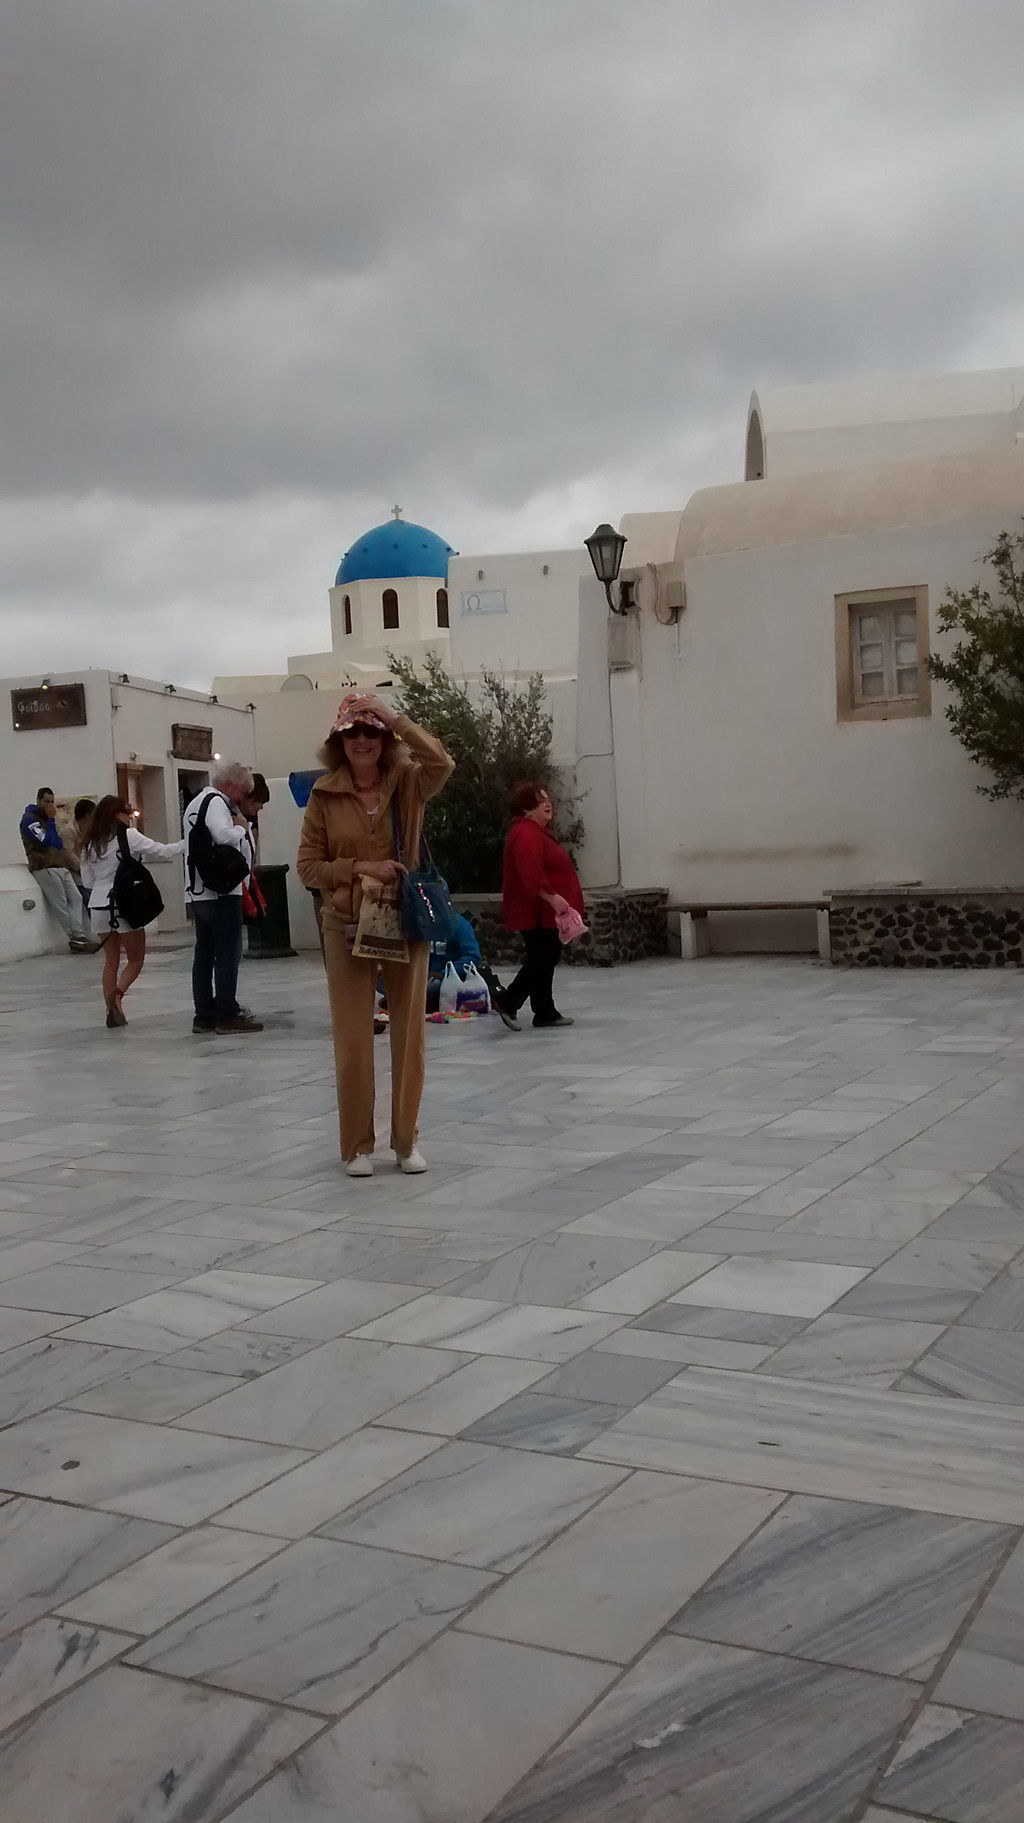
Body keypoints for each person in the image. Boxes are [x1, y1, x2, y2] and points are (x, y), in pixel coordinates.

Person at [297, 690, 454, 1177]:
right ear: (338, 742)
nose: (362, 740)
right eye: (352, 732)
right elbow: (308, 868)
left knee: (409, 1035)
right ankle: (357, 1146)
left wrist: (396, 717)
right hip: (345, 923)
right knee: (352, 1037)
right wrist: (360, 867)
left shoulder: (407, 781)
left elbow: (442, 762)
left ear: (384, 739)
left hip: (404, 920)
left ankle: (405, 1141)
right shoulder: (324, 794)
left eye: (371, 731)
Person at [79, 797, 185, 1027]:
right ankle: (117, 996)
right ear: (115, 813)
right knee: (136, 959)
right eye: (126, 811)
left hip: (98, 905)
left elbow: (87, 881)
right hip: (123, 904)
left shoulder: (89, 844)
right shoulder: (128, 836)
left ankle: (111, 1011)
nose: (129, 815)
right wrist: (189, 843)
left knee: (111, 960)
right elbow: (162, 850)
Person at [496, 781, 584, 1030]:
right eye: (540, 800)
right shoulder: (526, 833)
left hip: (542, 911)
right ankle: (509, 1001)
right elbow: (530, 871)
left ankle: (544, 1010)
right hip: (536, 911)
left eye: (547, 799)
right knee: (544, 957)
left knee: (544, 956)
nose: (548, 803)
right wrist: (552, 897)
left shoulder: (534, 832)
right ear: (526, 809)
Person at [184, 762, 264, 1036]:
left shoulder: (195, 803)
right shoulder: (217, 802)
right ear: (230, 784)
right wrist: (241, 828)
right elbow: (222, 835)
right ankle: (227, 1014)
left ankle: (204, 1014)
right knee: (228, 952)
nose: (241, 798)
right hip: (221, 891)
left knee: (204, 953)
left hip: (198, 891)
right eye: (242, 791)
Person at [19, 788, 92, 952]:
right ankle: (74, 937)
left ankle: (79, 933)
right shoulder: (29, 820)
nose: (50, 805)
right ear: (38, 801)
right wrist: (51, 820)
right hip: (43, 865)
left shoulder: (48, 820)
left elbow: (58, 843)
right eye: (46, 802)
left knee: (76, 897)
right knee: (61, 903)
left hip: (59, 865)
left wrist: (51, 822)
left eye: (52, 802)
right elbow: (46, 840)